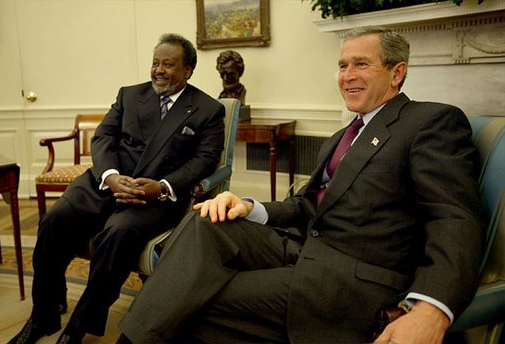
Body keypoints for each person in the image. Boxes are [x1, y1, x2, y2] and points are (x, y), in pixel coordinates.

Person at [117, 26, 484, 343]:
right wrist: (249, 206)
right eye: (342, 65)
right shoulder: (343, 134)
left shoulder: (430, 121)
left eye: (361, 64)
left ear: (396, 72)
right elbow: (309, 206)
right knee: (206, 221)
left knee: (191, 297)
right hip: (303, 247)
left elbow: (453, 219)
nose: (347, 75)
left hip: (349, 276)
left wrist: (431, 308)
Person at [8, 33, 225, 344]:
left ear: (188, 70)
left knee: (118, 233)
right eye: (155, 63)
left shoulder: (207, 109)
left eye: (168, 64)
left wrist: (161, 188)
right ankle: (44, 314)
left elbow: (204, 160)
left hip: (153, 195)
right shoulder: (129, 95)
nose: (158, 70)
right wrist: (110, 176)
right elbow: (103, 138)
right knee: (54, 221)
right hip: (105, 182)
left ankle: (77, 328)